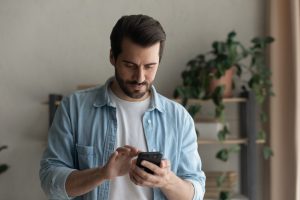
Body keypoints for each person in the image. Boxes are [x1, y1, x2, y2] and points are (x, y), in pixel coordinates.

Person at [40, 14, 206, 200]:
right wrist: (102, 173)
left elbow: (195, 193)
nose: (140, 77)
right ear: (112, 56)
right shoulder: (74, 109)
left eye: (150, 66)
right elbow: (50, 182)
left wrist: (166, 181)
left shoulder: (179, 118)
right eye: (130, 65)